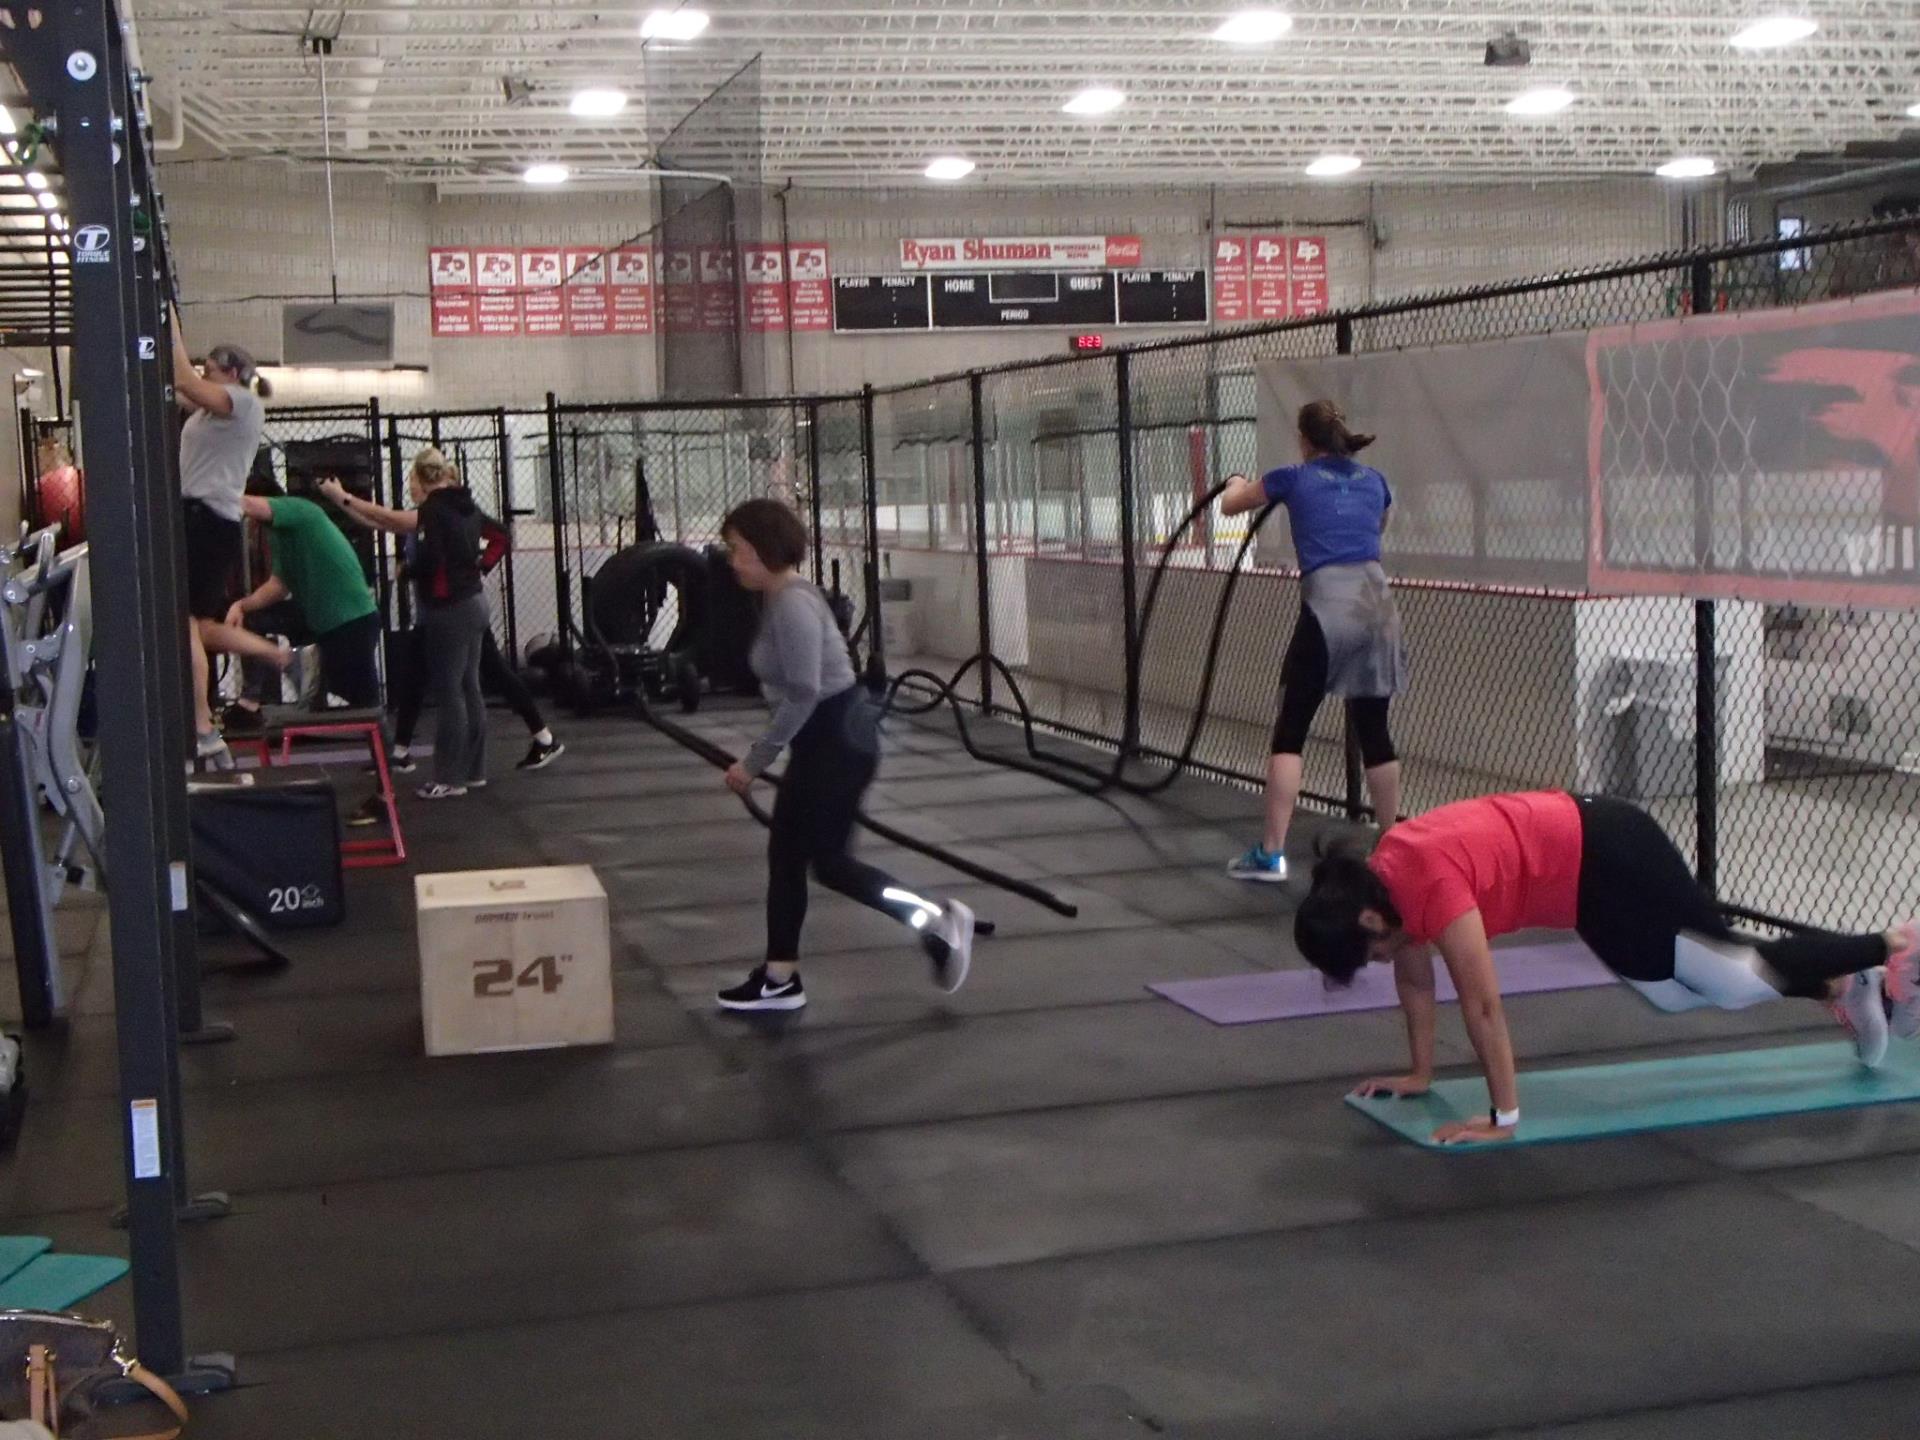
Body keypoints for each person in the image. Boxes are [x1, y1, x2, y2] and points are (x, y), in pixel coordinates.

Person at [1293, 790, 1920, 1146]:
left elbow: (1482, 1004)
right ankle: (1837, 982)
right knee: (1679, 993)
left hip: (1610, 848)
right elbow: (1413, 972)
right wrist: (1420, 1074)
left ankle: (1884, 948)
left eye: (1368, 953)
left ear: (1371, 922)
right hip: (1583, 889)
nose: (1380, 960)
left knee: (1728, 973)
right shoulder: (1384, 887)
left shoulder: (1426, 881)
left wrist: (1502, 1120)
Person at [713, 498, 975, 1013]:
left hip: (836, 744)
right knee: (789, 859)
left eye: (739, 550)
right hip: (824, 744)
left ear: (765, 550)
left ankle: (934, 920)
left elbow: (805, 693)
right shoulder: (778, 598)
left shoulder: (790, 602)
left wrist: (753, 763)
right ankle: (780, 978)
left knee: (828, 864)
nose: (733, 560)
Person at [1218, 400, 1404, 883]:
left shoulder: (1293, 477)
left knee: (1291, 730)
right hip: (1377, 606)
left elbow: (1230, 504)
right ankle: (1394, 850)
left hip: (1327, 607)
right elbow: (1377, 526)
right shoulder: (1375, 482)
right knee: (1374, 731)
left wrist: (1236, 481)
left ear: (1305, 440)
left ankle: (1271, 853)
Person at [320, 450, 488, 799]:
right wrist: (476, 568)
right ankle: (472, 772)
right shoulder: (462, 506)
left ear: (424, 481)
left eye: (411, 480)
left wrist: (343, 497)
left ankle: (450, 778)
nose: (409, 488)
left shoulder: (437, 510)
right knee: (468, 686)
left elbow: (389, 518)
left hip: (452, 609)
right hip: (472, 602)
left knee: (450, 691)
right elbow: (385, 522)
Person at [171, 321, 292, 768]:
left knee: (185, 626)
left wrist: (170, 322)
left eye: (210, 369)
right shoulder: (208, 411)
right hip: (195, 519)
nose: (203, 375)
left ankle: (203, 727)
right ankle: (265, 654)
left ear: (233, 372)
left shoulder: (241, 403)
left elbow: (182, 377)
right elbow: (175, 383)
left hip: (206, 522)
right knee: (194, 627)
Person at [387, 506, 563, 775]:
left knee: (486, 676)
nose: (413, 487)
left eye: (418, 482)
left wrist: (480, 566)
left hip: (458, 612)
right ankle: (400, 751)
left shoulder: (457, 515)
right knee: (416, 677)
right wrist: (344, 500)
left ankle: (542, 738)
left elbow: (442, 561)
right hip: (434, 614)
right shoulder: (417, 519)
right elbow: (385, 522)